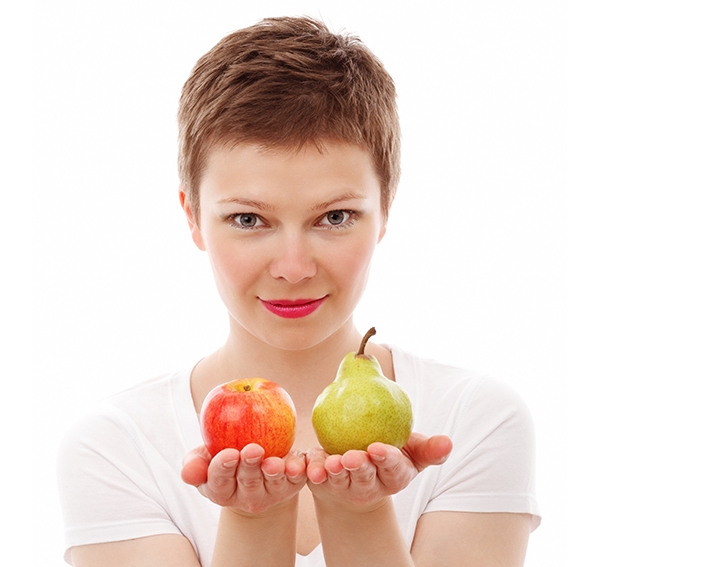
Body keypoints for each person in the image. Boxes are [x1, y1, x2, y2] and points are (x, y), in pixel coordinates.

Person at [57, 16, 541, 567]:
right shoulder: (115, 449)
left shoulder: (476, 421)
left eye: (334, 217)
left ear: (385, 211)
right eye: (247, 219)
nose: (292, 268)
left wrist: (359, 514)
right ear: (192, 216)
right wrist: (252, 518)